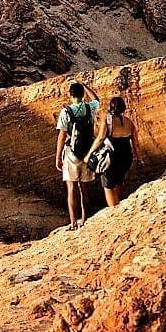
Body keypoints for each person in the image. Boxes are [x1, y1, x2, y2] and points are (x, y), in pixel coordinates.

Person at [55, 81, 99, 229]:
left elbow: (62, 136)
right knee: (85, 189)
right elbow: (96, 99)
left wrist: (57, 157)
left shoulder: (66, 112)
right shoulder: (90, 107)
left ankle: (73, 222)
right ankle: (84, 220)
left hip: (71, 154)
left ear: (70, 94)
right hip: (87, 152)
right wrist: (86, 86)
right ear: (82, 94)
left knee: (71, 188)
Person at [85, 96, 143, 207]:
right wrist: (139, 159)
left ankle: (114, 210)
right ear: (123, 108)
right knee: (119, 180)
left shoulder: (107, 120)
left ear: (110, 107)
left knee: (108, 185)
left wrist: (89, 154)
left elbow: (101, 138)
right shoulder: (129, 122)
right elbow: (135, 143)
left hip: (111, 157)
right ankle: (118, 203)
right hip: (126, 156)